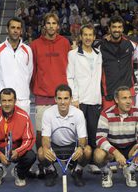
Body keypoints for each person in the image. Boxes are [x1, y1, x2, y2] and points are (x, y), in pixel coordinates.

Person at [30, 13, 70, 176]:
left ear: (58, 26)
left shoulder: (65, 43)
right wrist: (37, 87)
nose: (51, 26)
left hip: (61, 97)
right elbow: (31, 70)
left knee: (62, 132)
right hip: (42, 96)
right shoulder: (35, 45)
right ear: (44, 26)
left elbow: (69, 67)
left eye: (54, 23)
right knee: (41, 133)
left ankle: (65, 161)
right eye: (49, 23)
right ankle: (44, 162)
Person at [94, 86, 138, 188]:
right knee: (98, 155)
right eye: (124, 98)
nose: (129, 101)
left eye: (130, 98)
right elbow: (100, 138)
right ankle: (106, 172)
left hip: (130, 147)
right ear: (116, 100)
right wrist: (115, 153)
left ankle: (130, 170)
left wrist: (137, 149)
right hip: (112, 148)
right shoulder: (106, 113)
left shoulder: (137, 112)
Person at [38, 84, 92, 187]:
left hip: (72, 146)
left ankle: (77, 170)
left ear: (71, 99)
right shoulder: (48, 113)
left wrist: (80, 148)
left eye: (66, 98)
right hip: (55, 146)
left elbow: (82, 138)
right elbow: (45, 137)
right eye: (60, 98)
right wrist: (45, 148)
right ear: (55, 99)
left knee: (87, 151)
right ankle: (51, 171)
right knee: (41, 152)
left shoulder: (78, 113)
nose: (63, 102)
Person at [0, 88, 36, 187]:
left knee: (31, 156)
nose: (7, 104)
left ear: (15, 101)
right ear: (0, 101)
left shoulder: (23, 116)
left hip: (16, 150)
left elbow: (29, 139)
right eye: (4, 100)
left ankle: (18, 172)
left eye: (10, 100)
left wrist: (18, 151)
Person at [67, 24, 102, 173]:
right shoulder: (73, 54)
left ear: (94, 38)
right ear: (80, 37)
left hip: (95, 100)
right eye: (85, 35)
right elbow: (70, 76)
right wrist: (74, 98)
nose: (88, 38)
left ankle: (92, 161)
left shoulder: (98, 54)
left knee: (93, 134)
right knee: (79, 135)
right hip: (79, 101)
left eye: (91, 35)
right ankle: (75, 163)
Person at [0, 17, 33, 114]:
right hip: (3, 100)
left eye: (18, 28)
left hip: (22, 99)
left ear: (21, 31)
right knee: (1, 129)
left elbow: (29, 73)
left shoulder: (27, 50)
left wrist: (22, 88)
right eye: (13, 27)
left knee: (22, 129)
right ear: (7, 29)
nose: (15, 30)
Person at [100, 15, 136, 109]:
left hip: (128, 92)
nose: (117, 30)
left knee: (129, 122)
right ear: (109, 28)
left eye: (119, 27)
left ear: (123, 29)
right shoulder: (101, 46)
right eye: (114, 27)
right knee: (109, 122)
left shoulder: (131, 44)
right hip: (109, 93)